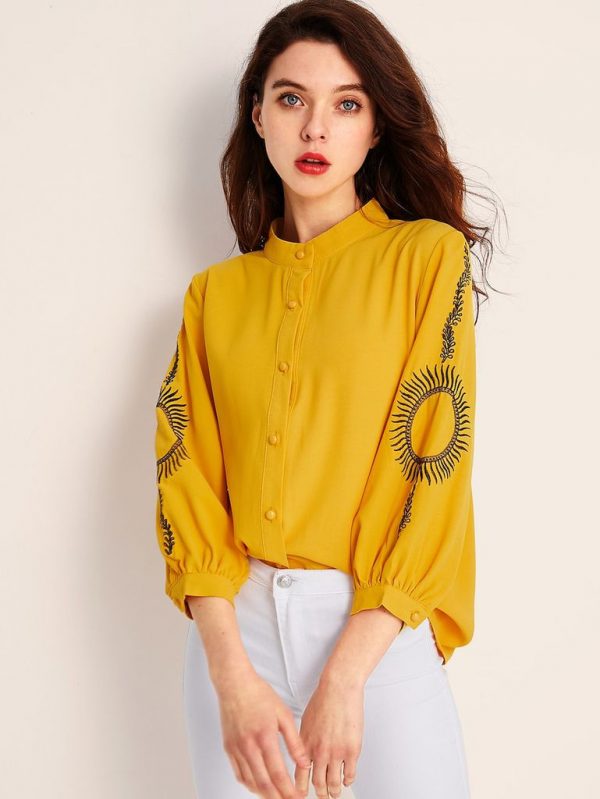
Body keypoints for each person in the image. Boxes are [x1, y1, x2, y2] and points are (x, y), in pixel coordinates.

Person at [154, 1, 499, 797]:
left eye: (347, 104)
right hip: (233, 640)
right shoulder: (215, 296)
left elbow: (432, 467)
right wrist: (231, 679)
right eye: (291, 99)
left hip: (374, 628)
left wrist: (346, 674)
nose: (315, 128)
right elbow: (185, 480)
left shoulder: (426, 259)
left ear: (375, 128)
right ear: (258, 116)